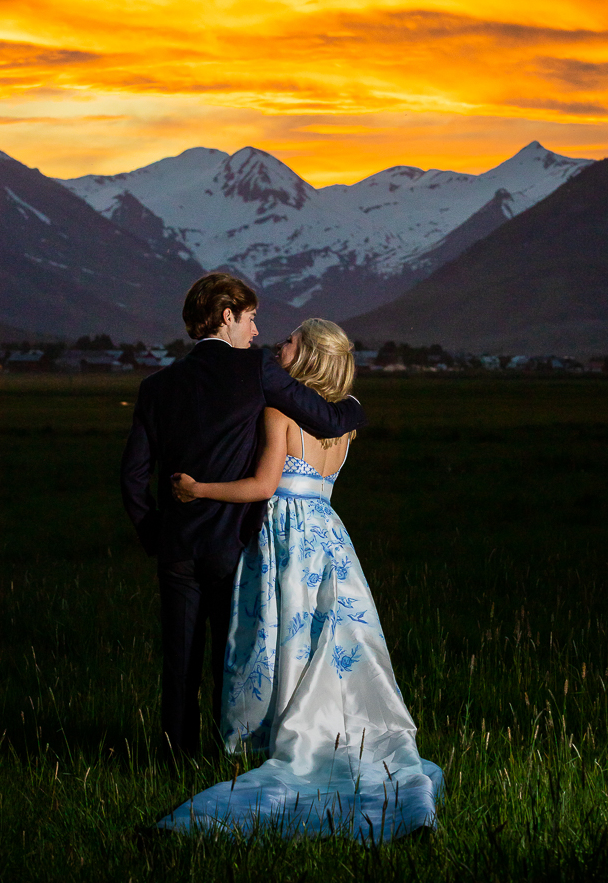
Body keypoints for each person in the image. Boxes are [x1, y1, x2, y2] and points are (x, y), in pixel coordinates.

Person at [162, 318, 442, 841]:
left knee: (274, 633)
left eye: (289, 341)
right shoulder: (344, 426)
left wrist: (198, 489)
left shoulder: (279, 414)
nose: (278, 344)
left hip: (284, 540)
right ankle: (327, 731)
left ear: (307, 356)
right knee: (324, 638)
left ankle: (264, 739)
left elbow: (264, 485)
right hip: (329, 538)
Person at [120, 275, 366, 758]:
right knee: (233, 659)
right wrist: (354, 403)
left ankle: (173, 760)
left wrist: (158, 534)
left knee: (179, 662)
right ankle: (224, 753)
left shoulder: (155, 386)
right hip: (233, 543)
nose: (257, 332)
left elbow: (131, 477)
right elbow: (329, 420)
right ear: (227, 315)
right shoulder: (256, 370)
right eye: (251, 318)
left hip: (177, 545)